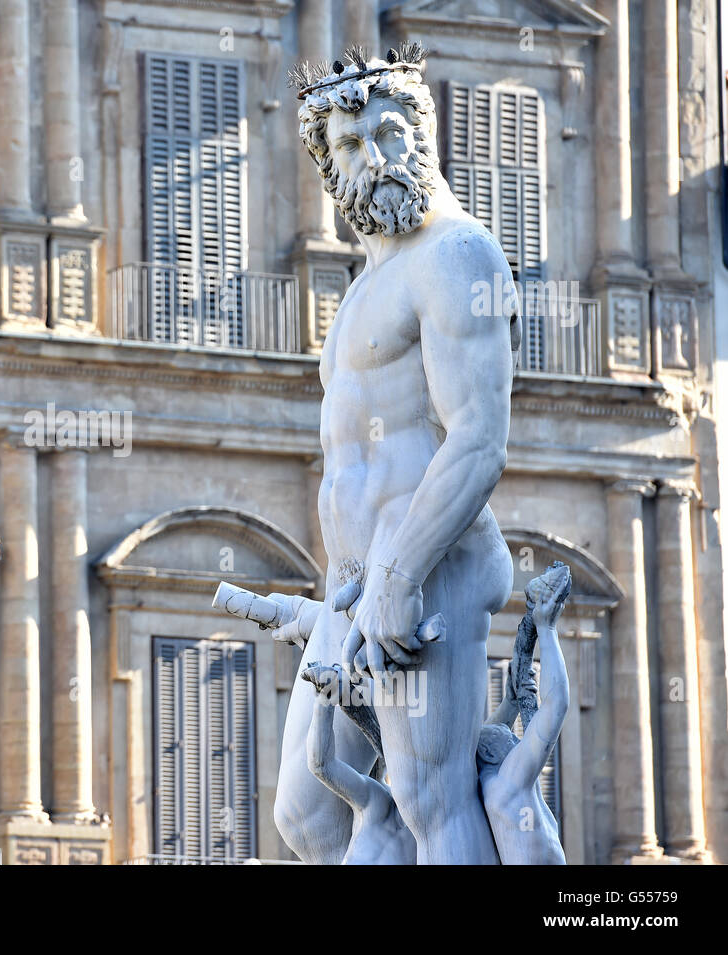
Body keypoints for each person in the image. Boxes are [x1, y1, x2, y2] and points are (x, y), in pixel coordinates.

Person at [269, 45, 515, 864]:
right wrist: (358, 586)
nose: (373, 154)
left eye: (391, 131)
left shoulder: (456, 254)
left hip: (425, 566)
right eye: (349, 143)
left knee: (431, 802)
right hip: (352, 585)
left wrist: (400, 576)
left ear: (425, 134)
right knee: (306, 811)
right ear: (326, 165)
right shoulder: (365, 285)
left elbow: (479, 437)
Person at [478, 564, 571, 865]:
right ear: (494, 754)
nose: (514, 732)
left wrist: (511, 700)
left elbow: (493, 735)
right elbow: (556, 704)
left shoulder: (503, 787)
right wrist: (547, 628)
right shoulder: (511, 783)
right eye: (507, 733)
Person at [301, 662, 416, 864]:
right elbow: (321, 766)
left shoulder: (377, 805)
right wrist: (323, 700)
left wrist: (323, 700)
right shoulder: (379, 805)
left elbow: (321, 766)